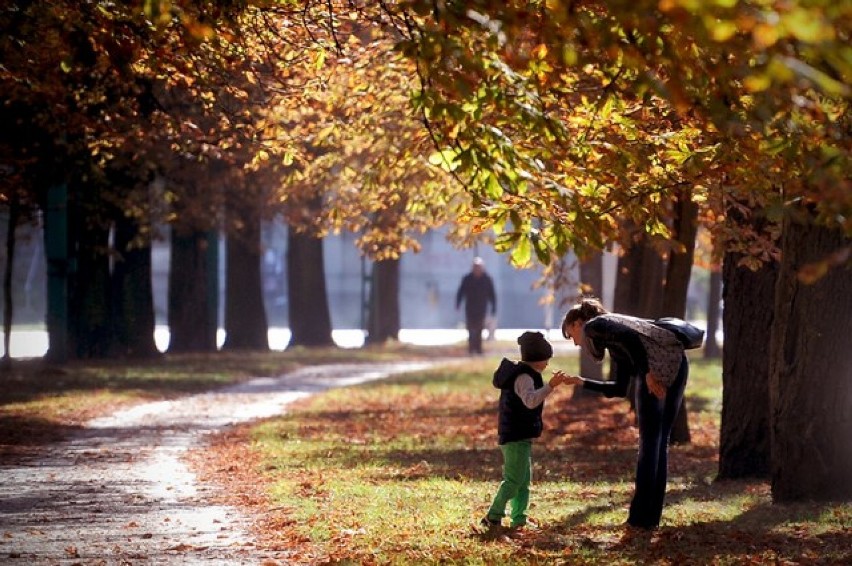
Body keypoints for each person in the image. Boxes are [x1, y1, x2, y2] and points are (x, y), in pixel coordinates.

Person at [560, 297, 688, 531]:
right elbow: (619, 388)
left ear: (578, 323)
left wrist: (648, 373)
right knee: (658, 445)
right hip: (677, 364)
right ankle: (650, 519)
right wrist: (582, 382)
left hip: (655, 371)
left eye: (571, 335)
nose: (576, 344)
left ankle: (640, 520)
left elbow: (631, 339)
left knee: (650, 445)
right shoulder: (615, 341)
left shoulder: (596, 325)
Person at [480, 331, 567, 532]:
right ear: (536, 358)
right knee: (513, 480)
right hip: (514, 436)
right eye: (546, 359)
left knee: (523, 482)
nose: (547, 363)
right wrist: (550, 387)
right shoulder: (524, 377)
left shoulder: (530, 374)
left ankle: (519, 518)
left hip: (521, 436)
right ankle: (493, 516)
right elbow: (530, 401)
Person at [455, 257, 497, 355]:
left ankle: (478, 349)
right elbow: (461, 292)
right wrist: (458, 303)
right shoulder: (467, 279)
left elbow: (492, 294)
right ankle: (471, 349)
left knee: (479, 329)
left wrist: (494, 307)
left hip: (481, 308)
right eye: (475, 267)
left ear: (482, 268)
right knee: (470, 329)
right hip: (470, 308)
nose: (477, 269)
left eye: (479, 267)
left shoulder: (487, 279)